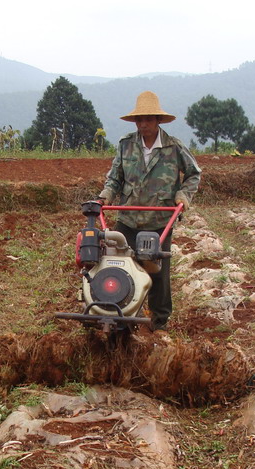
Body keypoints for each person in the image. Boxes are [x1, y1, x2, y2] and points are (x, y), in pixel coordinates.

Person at [98, 90, 201, 332]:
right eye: (139, 120)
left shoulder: (173, 147)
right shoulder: (126, 146)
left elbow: (194, 174)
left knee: (157, 271)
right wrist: (104, 198)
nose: (143, 124)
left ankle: (159, 321)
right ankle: (118, 310)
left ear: (157, 120)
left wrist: (182, 196)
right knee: (118, 265)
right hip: (128, 218)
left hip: (159, 219)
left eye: (148, 119)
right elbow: (114, 179)